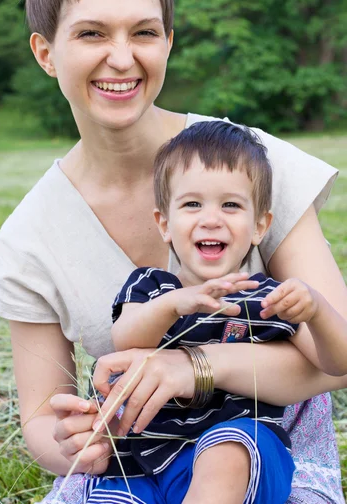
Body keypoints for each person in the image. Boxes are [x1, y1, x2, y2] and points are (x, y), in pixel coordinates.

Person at [0, 0, 347, 504]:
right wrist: (69, 442)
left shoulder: (247, 161)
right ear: (46, 52)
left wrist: (193, 366)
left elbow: (336, 364)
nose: (121, 57)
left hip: (268, 448)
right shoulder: (31, 237)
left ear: (168, 42)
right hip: (140, 459)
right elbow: (41, 418)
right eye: (92, 33)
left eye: (143, 33)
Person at [83, 121, 347, 504]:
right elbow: (124, 340)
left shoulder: (265, 298)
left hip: (241, 451)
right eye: (192, 204)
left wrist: (317, 310)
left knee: (226, 451)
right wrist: (175, 304)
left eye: (231, 205)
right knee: (110, 496)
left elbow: (338, 363)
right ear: (164, 224)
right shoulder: (152, 288)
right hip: (143, 461)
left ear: (259, 226)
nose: (211, 218)